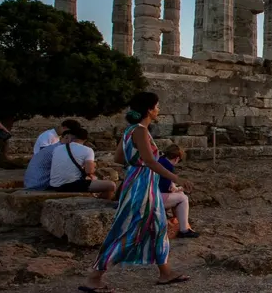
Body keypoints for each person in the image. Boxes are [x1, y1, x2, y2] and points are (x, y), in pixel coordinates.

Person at [83, 92, 195, 292]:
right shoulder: (141, 131)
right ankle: (94, 277)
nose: (158, 110)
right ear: (150, 109)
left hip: (136, 181)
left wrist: (136, 162)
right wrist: (176, 178)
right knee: (131, 229)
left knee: (158, 227)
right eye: (157, 106)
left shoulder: (129, 130)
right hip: (142, 185)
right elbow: (151, 162)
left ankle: (165, 272)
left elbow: (119, 158)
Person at [47, 128, 117, 199]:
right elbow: (89, 171)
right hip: (69, 185)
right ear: (85, 139)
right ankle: (101, 205)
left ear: (70, 137)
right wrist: (94, 165)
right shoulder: (87, 150)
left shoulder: (57, 148)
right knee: (111, 186)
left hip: (54, 185)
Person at [24, 126, 84, 190]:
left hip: (32, 183)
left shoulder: (54, 147)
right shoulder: (60, 150)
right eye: (76, 142)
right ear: (67, 137)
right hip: (41, 185)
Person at [158, 144, 198, 239]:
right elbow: (167, 188)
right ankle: (184, 229)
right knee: (183, 198)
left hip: (152, 193)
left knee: (180, 195)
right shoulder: (167, 165)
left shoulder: (160, 160)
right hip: (155, 197)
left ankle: (181, 222)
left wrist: (179, 189)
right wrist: (181, 188)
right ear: (177, 158)